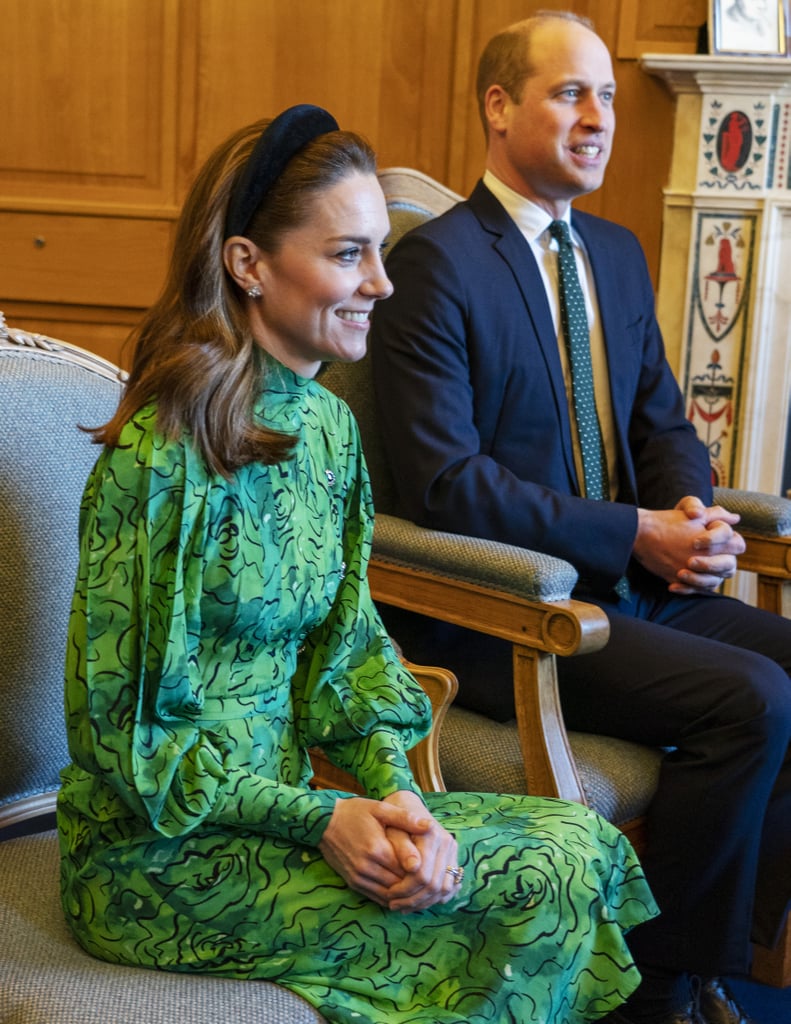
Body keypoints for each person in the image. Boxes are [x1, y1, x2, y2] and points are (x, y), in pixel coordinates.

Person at [56, 104, 658, 1024]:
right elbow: (129, 740)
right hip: (158, 857)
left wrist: (396, 796)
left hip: (292, 814)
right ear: (247, 263)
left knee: (579, 843)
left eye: (379, 250)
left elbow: (346, 656)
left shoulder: (328, 428)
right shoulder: (163, 459)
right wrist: (322, 820)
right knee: (535, 880)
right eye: (348, 255)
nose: (381, 281)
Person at [370, 13, 791, 1024]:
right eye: (569, 93)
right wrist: (629, 534)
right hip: (503, 610)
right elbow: (443, 484)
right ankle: (661, 992)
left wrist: (685, 505)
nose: (596, 116)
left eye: (604, 94)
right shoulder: (435, 264)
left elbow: (659, 423)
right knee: (753, 698)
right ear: (498, 105)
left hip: (628, 591)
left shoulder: (610, 250)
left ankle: (701, 962)